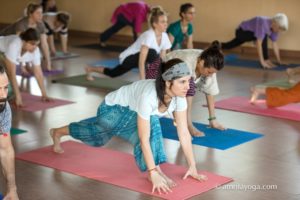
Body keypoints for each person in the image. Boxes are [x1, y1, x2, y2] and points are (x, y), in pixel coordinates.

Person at [50, 59, 208, 194]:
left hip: (130, 113)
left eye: (188, 81)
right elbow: (144, 138)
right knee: (97, 135)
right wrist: (152, 172)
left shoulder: (179, 97)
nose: (188, 86)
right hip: (112, 109)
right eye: (182, 81)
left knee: (99, 138)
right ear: (168, 82)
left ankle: (156, 170)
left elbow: (184, 133)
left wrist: (192, 166)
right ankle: (57, 132)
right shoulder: (149, 96)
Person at [86, 6, 171, 80]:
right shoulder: (148, 35)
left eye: (166, 22)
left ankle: (90, 69)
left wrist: (163, 77)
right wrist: (142, 81)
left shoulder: (165, 36)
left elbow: (162, 58)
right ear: (155, 24)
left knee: (113, 73)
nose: (166, 24)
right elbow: (142, 61)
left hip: (141, 59)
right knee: (152, 53)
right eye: (163, 22)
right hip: (128, 58)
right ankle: (149, 79)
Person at [160, 41, 226, 136]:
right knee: (189, 86)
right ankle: (188, 124)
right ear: (201, 63)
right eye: (209, 72)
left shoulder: (210, 64)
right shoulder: (186, 62)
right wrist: (188, 125)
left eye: (213, 73)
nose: (211, 75)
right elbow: (181, 94)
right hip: (158, 70)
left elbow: (210, 91)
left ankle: (187, 124)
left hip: (175, 76)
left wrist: (213, 119)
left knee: (189, 85)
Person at [0, 28, 51, 107]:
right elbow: (11, 74)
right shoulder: (14, 45)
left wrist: (44, 94)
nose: (34, 47)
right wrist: (18, 97)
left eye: (36, 44)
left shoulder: (35, 50)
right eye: (32, 44)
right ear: (24, 41)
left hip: (4, 55)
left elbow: (38, 73)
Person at [221, 13, 288, 69]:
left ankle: (218, 45)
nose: (279, 31)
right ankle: (266, 60)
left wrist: (279, 61)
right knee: (262, 36)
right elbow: (259, 43)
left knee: (229, 45)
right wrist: (262, 62)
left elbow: (275, 44)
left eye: (280, 30)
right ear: (274, 23)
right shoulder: (263, 23)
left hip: (251, 34)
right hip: (241, 32)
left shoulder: (275, 29)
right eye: (279, 28)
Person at [0, 3, 52, 71]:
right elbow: (20, 44)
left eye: (41, 13)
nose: (41, 15)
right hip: (3, 40)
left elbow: (44, 44)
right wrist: (23, 67)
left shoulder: (41, 24)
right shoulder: (21, 24)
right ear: (30, 14)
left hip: (13, 44)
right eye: (38, 13)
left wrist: (48, 63)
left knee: (34, 49)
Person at [0, 65, 19, 200]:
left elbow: (5, 150)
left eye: (5, 88)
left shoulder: (3, 107)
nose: (3, 95)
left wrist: (12, 188)